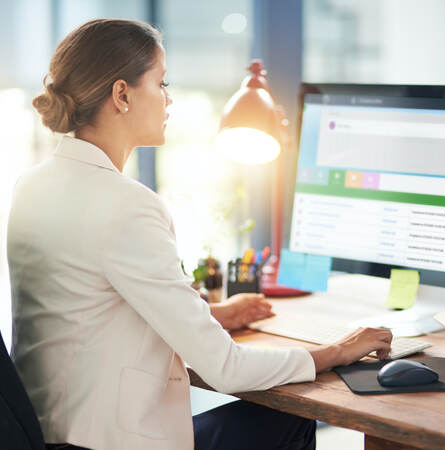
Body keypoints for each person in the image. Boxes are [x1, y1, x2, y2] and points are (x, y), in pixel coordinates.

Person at [8, 19, 392, 450]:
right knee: (285, 419)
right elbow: (226, 369)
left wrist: (212, 315)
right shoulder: (126, 205)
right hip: (112, 443)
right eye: (161, 82)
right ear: (122, 95)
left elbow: (90, 311)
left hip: (53, 434)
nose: (169, 99)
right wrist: (337, 351)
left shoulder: (32, 185)